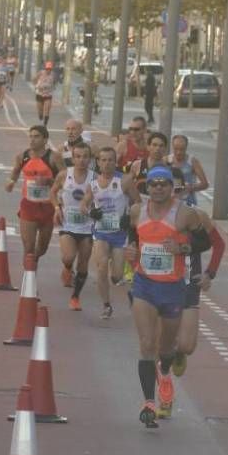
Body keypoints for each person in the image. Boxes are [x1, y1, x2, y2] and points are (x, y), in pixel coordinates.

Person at [124, 166, 204, 426]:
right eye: (154, 183)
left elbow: (206, 242)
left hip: (172, 289)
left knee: (166, 348)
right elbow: (132, 234)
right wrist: (131, 250)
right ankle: (148, 402)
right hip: (144, 285)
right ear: (147, 187)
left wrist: (182, 247)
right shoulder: (137, 211)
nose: (158, 188)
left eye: (163, 184)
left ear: (171, 187)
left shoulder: (184, 214)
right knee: (147, 344)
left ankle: (166, 372)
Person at [170, 166, 226, 379]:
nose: (173, 194)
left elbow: (219, 245)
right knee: (159, 344)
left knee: (186, 345)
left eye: (178, 189)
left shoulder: (197, 216)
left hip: (188, 283)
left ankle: (178, 354)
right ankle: (163, 391)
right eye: (168, 188)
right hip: (159, 282)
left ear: (184, 191)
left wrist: (209, 274)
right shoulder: (150, 214)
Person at [83, 146, 139, 320]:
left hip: (119, 234)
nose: (107, 164)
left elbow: (137, 202)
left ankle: (128, 290)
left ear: (116, 162)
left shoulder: (125, 181)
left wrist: (129, 217)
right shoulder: (93, 184)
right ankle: (106, 305)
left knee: (116, 276)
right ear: (98, 162)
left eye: (110, 160)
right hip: (101, 232)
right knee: (100, 268)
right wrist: (91, 213)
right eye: (103, 160)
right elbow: (83, 205)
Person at [5, 125, 64, 260]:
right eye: (30, 136)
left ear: (45, 140)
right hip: (28, 206)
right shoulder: (22, 157)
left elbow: (66, 180)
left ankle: (33, 261)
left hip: (48, 206)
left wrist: (49, 181)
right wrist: (10, 182)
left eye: (36, 137)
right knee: (28, 248)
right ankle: (29, 275)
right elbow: (14, 172)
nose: (32, 140)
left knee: (42, 249)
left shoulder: (54, 157)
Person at [51, 142, 96, 311]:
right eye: (78, 156)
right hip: (68, 224)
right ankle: (67, 268)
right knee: (68, 257)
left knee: (83, 263)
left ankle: (75, 297)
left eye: (85, 157)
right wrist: (56, 207)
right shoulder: (64, 175)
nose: (81, 160)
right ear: (73, 158)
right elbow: (53, 192)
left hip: (87, 227)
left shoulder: (95, 178)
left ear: (90, 159)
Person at [167, 134, 209, 205]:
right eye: (176, 149)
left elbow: (205, 184)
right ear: (172, 147)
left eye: (181, 149)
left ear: (186, 148)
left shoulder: (192, 162)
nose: (178, 152)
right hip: (171, 202)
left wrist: (189, 188)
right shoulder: (167, 160)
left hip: (188, 202)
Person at [131, 131, 169, 196]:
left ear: (165, 149)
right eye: (154, 145)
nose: (157, 148)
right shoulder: (137, 165)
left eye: (161, 146)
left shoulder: (169, 168)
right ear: (148, 147)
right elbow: (129, 186)